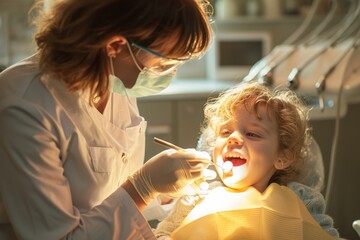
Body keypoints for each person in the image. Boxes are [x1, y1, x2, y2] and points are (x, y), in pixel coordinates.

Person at [0, 0, 215, 239]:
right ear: (115, 46)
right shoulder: (25, 104)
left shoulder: (116, 78)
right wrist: (144, 186)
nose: (167, 73)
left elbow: (111, 192)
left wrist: (165, 191)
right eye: (164, 62)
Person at [155, 81, 340, 239]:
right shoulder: (196, 198)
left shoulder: (303, 199)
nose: (233, 138)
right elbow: (161, 234)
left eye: (252, 133)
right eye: (225, 131)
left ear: (282, 157)